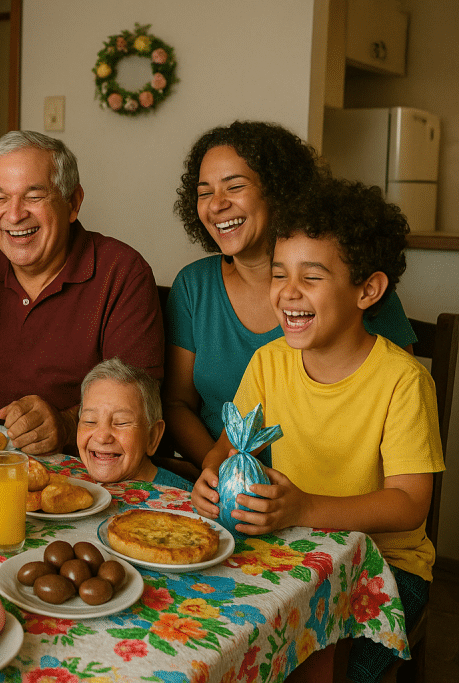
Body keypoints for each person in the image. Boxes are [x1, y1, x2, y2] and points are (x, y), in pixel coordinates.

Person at [191, 177, 444, 683]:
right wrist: (212, 475)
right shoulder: (268, 363)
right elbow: (226, 446)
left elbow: (410, 502)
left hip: (386, 570)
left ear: (367, 290)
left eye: (312, 277)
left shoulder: (402, 381)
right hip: (294, 550)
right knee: (217, 639)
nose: (288, 293)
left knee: (315, 670)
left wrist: (306, 508)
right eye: (280, 274)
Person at [164, 121, 416, 469]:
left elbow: (397, 410)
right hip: (226, 489)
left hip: (327, 500)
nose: (216, 204)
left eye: (234, 186)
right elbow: (176, 403)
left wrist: (301, 505)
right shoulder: (194, 286)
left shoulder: (350, 291)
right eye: (204, 192)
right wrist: (220, 470)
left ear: (279, 192)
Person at [0, 130, 163, 456]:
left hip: (86, 470)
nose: (14, 214)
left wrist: (66, 424)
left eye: (34, 196)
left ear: (73, 203)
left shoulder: (122, 273)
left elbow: (141, 400)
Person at [77, 358, 191, 491]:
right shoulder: (67, 483)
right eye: (90, 421)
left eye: (121, 422)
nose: (101, 437)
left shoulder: (187, 501)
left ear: (153, 437)